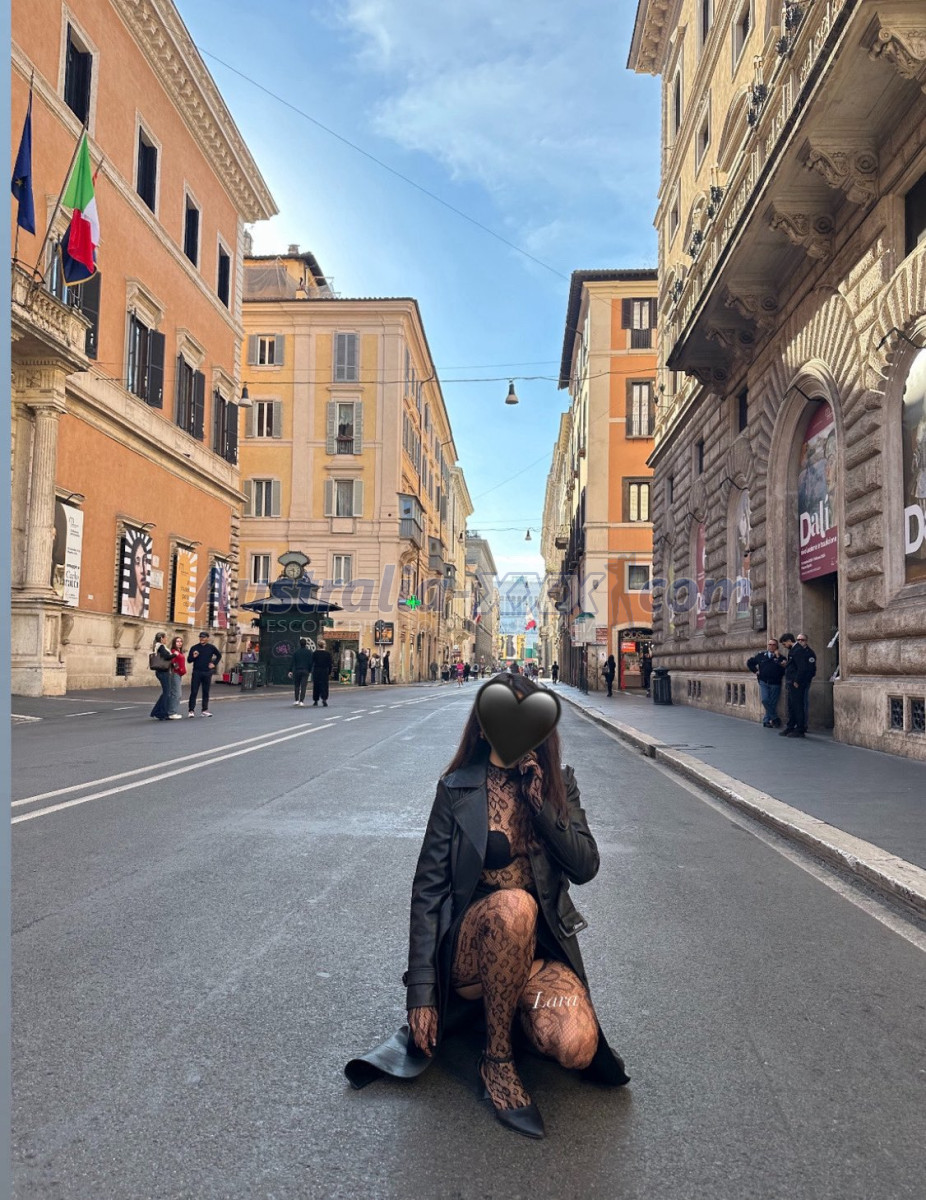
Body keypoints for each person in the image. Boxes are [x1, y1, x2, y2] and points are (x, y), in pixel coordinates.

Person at [344, 672, 630, 1138]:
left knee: (577, 1046)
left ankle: (514, 1010)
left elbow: (585, 867)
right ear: (482, 727)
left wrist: (541, 806)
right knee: (514, 906)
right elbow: (428, 890)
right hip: (469, 953)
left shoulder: (559, 785)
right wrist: (421, 993)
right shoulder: (457, 789)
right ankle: (497, 1061)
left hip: (535, 955)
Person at [779, 632, 817, 738]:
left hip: (796, 683)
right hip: (791, 682)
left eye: (784, 644)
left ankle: (800, 729)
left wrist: (797, 681)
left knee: (798, 706)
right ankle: (791, 726)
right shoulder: (794, 650)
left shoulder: (798, 650)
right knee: (791, 706)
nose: (784, 646)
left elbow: (802, 667)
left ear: (788, 641)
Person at [746, 638, 787, 727]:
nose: (771, 646)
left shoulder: (781, 657)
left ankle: (766, 721)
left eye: (773, 645)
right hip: (763, 682)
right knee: (765, 700)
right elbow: (749, 662)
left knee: (772, 703)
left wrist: (778, 657)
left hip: (775, 683)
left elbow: (784, 667)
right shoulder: (761, 655)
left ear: (777, 646)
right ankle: (775, 718)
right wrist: (756, 671)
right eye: (770, 644)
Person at [187, 631, 221, 717]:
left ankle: (204, 710)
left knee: (206, 692)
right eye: (200, 637)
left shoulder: (211, 647)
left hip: (207, 672)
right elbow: (189, 660)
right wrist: (194, 656)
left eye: (203, 637)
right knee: (194, 691)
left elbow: (219, 655)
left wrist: (214, 664)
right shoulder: (194, 647)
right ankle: (191, 710)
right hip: (197, 672)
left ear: (207, 638)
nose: (201, 639)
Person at [122, 531, 149, 618]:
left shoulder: (145, 611)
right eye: (137, 562)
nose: (142, 570)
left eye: (145, 560)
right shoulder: (126, 606)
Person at [149, 633, 173, 720]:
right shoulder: (161, 646)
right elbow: (166, 656)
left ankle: (157, 711)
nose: (166, 639)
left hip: (162, 672)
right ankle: (161, 713)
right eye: (165, 638)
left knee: (166, 692)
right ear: (162, 639)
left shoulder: (159, 646)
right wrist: (175, 654)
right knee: (167, 693)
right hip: (163, 672)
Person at [288, 638, 312, 706]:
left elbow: (292, 662)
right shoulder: (309, 652)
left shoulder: (296, 652)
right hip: (305, 670)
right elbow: (310, 662)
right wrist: (310, 670)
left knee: (297, 686)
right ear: (306, 644)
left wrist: (290, 670)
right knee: (303, 686)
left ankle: (296, 700)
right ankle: (301, 701)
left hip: (297, 670)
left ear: (299, 644)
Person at [167, 636, 186, 718]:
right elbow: (173, 662)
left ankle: (170, 711)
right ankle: (172, 713)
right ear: (174, 643)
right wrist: (180, 669)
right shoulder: (174, 651)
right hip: (175, 673)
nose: (179, 643)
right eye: (177, 641)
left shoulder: (179, 651)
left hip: (178, 674)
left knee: (174, 693)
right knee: (177, 694)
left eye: (181, 641)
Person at [311, 638, 334, 707]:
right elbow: (330, 664)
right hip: (324, 671)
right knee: (324, 685)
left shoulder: (315, 653)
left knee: (316, 685)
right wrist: (329, 672)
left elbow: (312, 662)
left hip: (317, 670)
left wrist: (312, 671)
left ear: (318, 645)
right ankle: (324, 699)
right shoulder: (327, 654)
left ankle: (315, 700)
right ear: (324, 645)